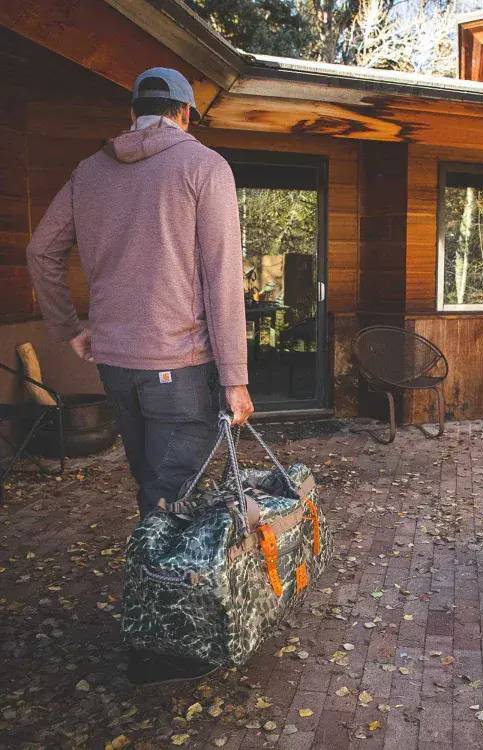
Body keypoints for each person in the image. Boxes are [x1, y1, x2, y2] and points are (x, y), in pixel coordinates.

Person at [26, 68, 254, 684]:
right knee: (169, 501)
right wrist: (235, 378)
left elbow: (41, 251)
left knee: (154, 489)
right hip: (180, 366)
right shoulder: (204, 167)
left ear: (133, 114)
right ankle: (160, 646)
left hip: (117, 368)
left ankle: (163, 624)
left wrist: (70, 327)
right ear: (185, 114)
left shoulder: (88, 173)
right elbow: (223, 279)